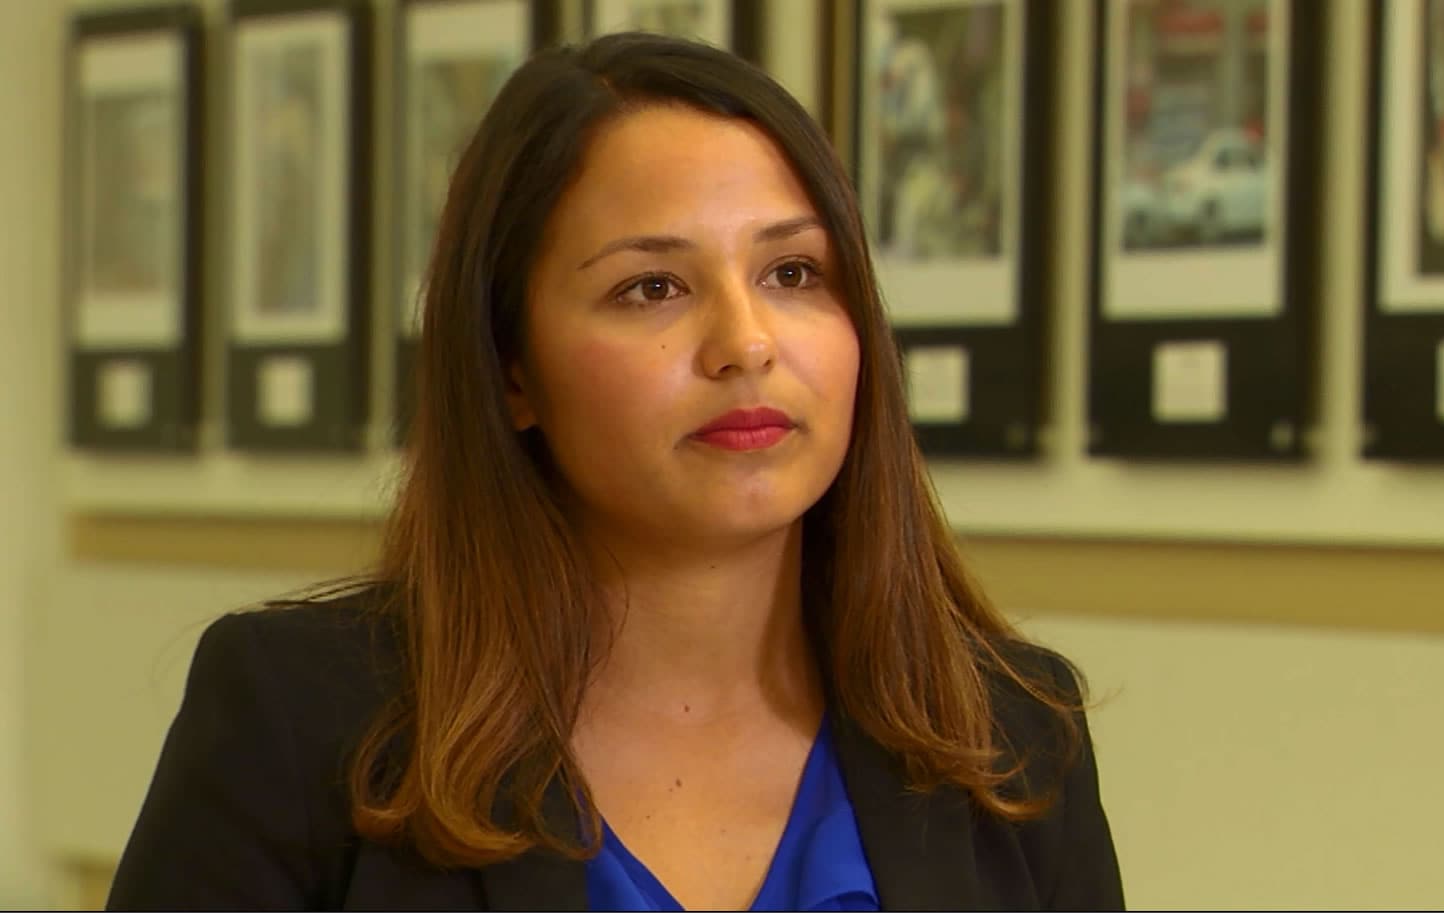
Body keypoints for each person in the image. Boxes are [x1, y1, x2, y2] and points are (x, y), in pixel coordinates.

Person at [104, 32, 1124, 912]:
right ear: (513, 373)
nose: (746, 343)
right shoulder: (302, 719)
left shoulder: (1017, 733)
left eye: (794, 273)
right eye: (652, 287)